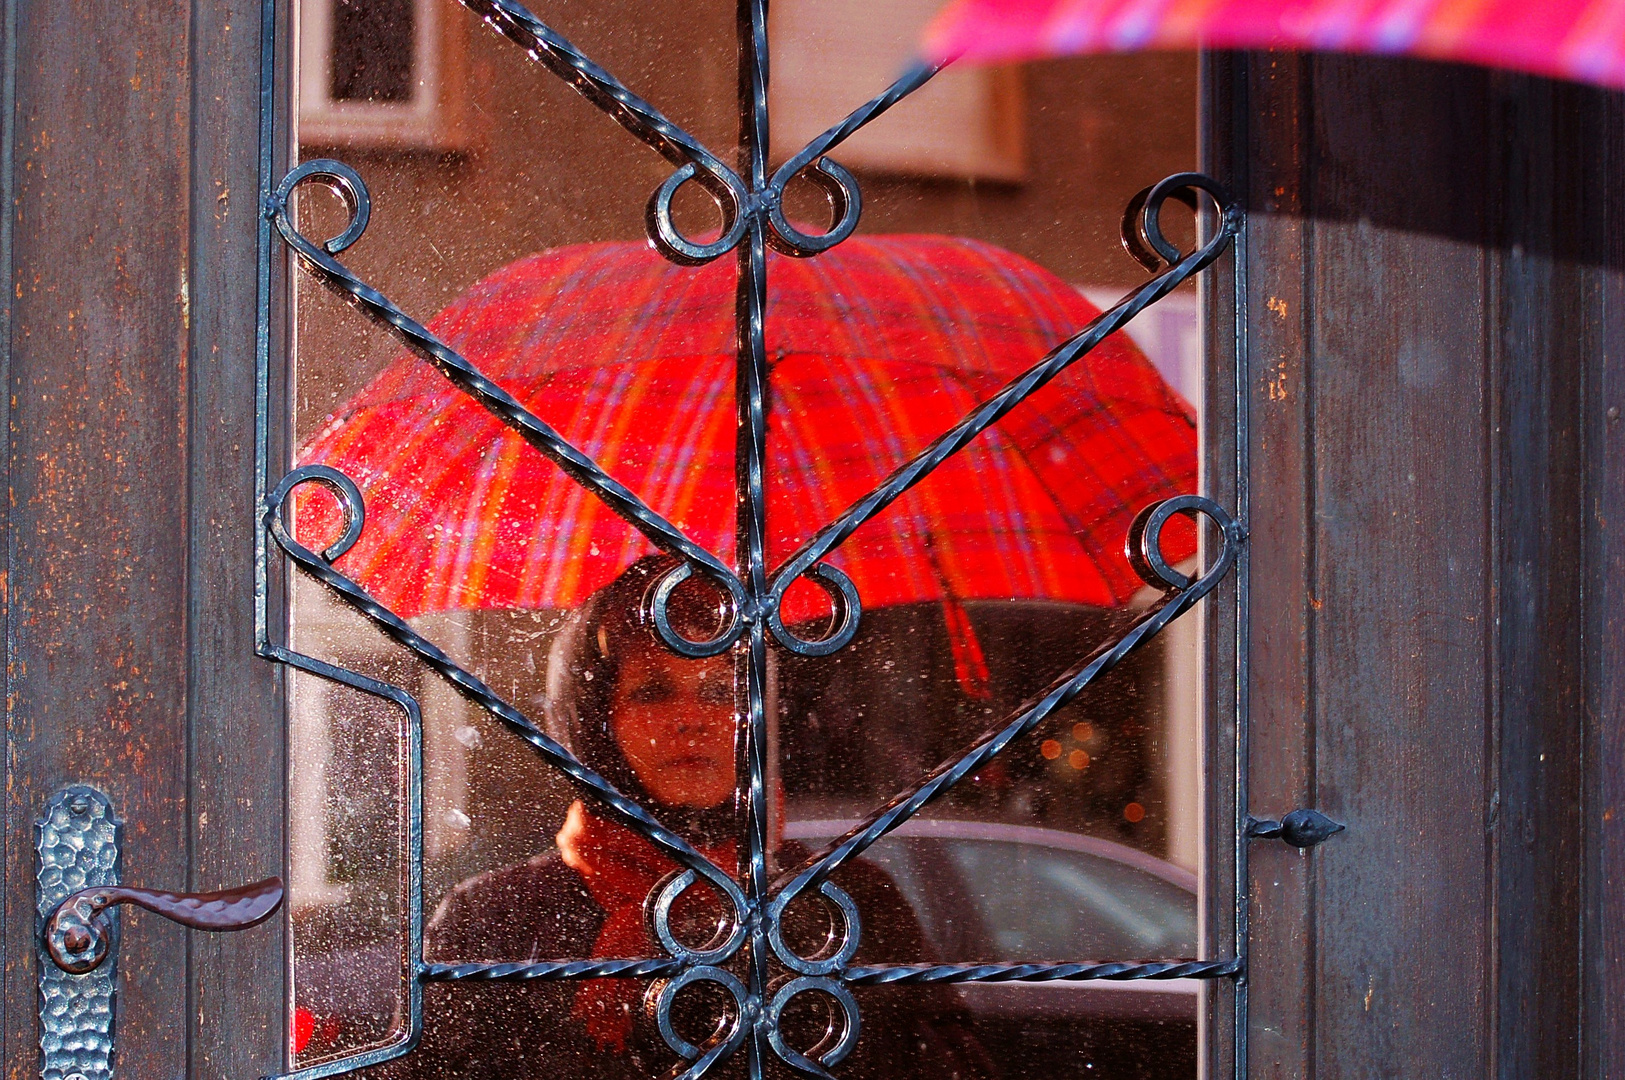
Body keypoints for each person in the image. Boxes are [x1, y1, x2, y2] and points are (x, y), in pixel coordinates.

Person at [395, 556, 994, 1080]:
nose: (693, 719)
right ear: (594, 719)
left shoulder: (847, 904)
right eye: (653, 691)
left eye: (720, 691)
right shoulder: (498, 921)